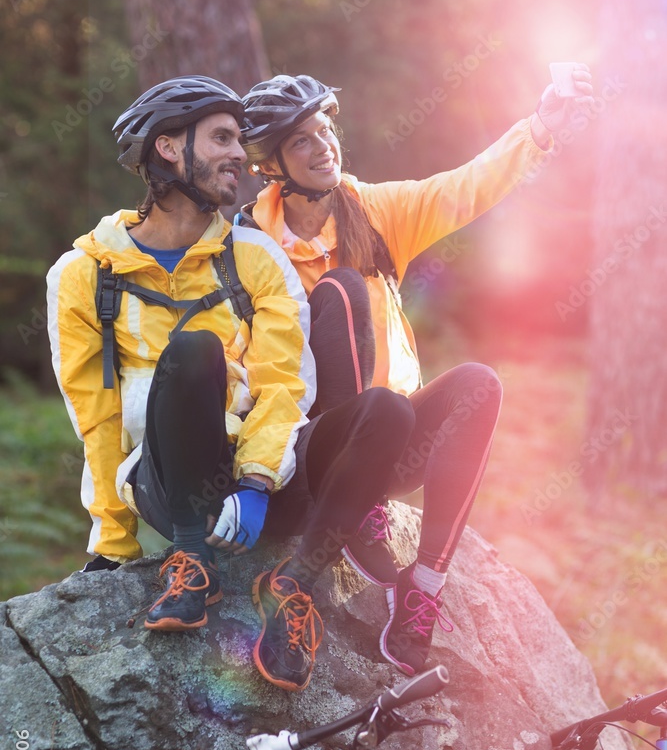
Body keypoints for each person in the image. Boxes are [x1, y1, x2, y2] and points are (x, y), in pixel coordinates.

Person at [46, 75, 415, 692]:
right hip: (168, 489)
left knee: (390, 414)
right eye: (221, 138)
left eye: (239, 140)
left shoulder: (255, 258)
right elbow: (98, 419)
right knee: (194, 350)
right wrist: (112, 543)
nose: (240, 156)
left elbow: (283, 385)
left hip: (256, 492)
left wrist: (255, 481)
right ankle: (192, 561)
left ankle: (294, 585)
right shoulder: (83, 276)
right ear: (168, 148)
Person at [239, 67, 594, 677]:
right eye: (301, 140)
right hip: (306, 449)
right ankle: (343, 517)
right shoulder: (246, 242)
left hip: (392, 434)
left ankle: (422, 586)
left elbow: (464, 187)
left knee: (480, 383)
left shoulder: (373, 212)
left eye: (325, 130)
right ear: (271, 164)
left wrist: (539, 131)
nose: (323, 145)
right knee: (344, 291)